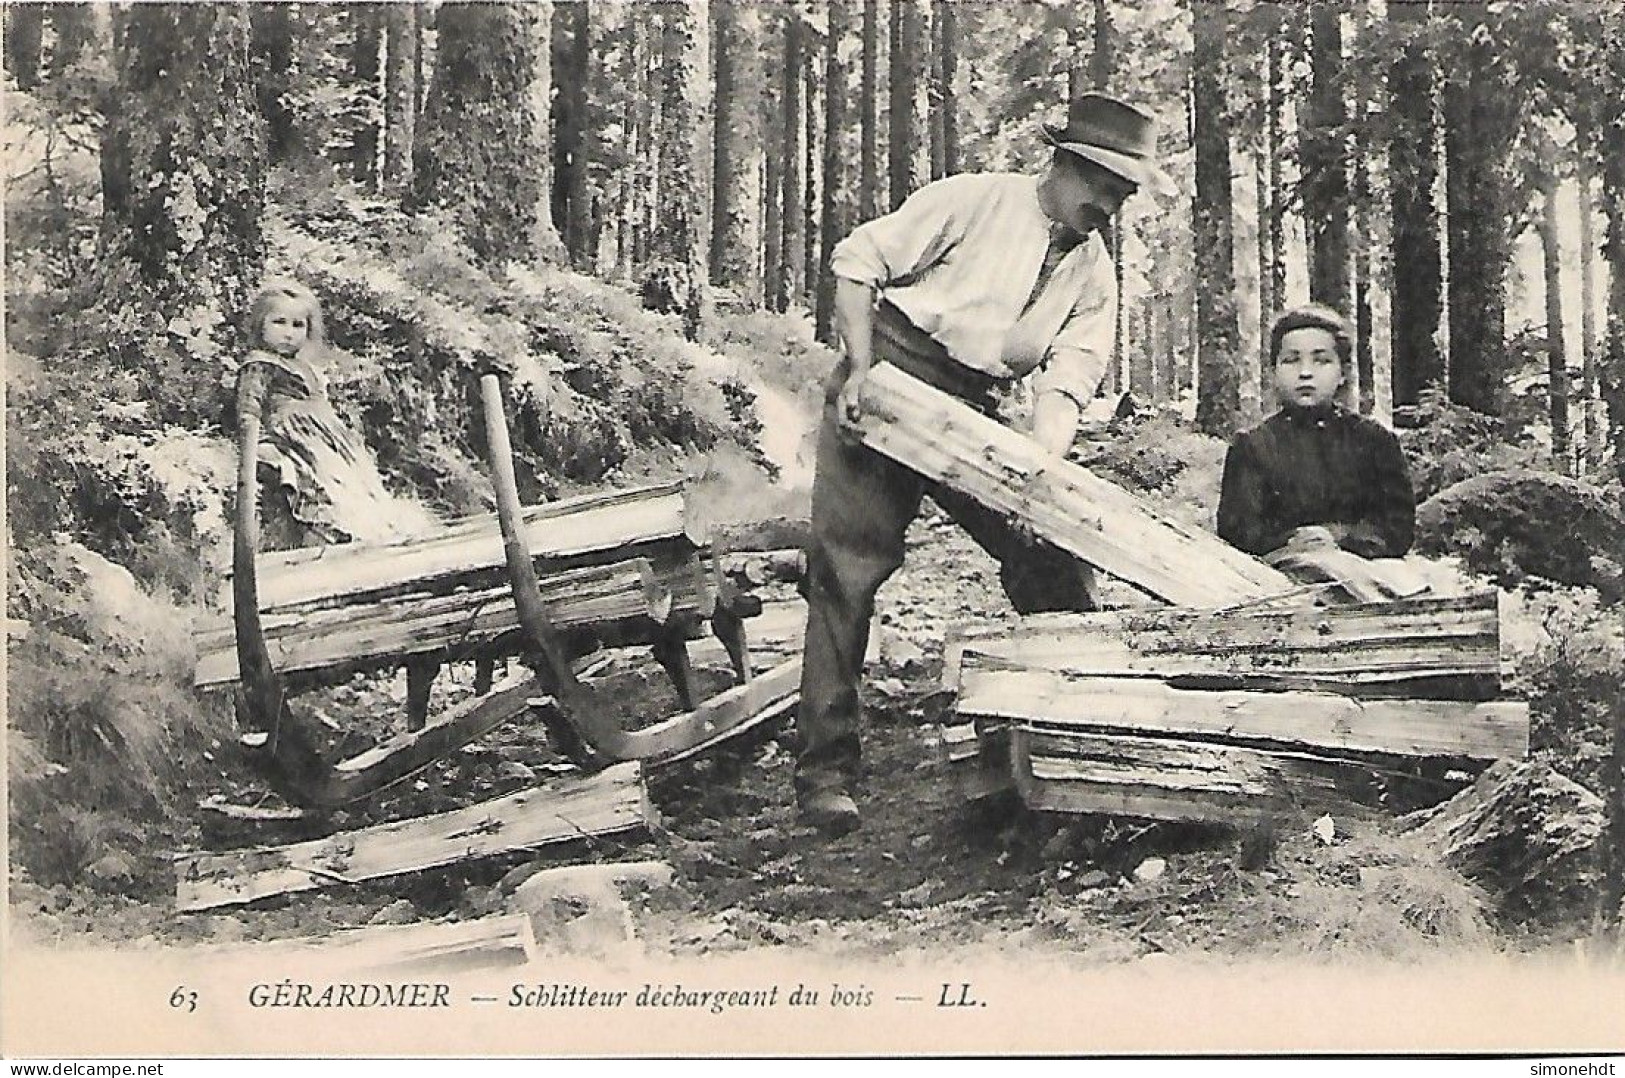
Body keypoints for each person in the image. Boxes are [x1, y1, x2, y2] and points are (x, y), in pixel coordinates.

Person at [795, 93, 1168, 835]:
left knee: (1052, 561)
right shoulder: (973, 200)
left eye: (1124, 194)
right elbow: (857, 263)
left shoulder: (1093, 275)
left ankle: (1083, 732)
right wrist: (861, 369)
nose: (1110, 206)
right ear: (1063, 165)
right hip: (892, 374)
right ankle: (824, 774)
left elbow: (1067, 379)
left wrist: (1039, 472)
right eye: (1103, 186)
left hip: (976, 407)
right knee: (847, 570)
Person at [1217, 303, 1421, 603]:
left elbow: (1397, 528)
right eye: (1291, 360)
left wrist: (1339, 537)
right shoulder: (1252, 446)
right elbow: (1237, 535)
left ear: (1342, 374)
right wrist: (1293, 542)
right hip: (1280, 584)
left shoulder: (1374, 441)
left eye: (1321, 360)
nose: (1305, 373)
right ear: (1274, 371)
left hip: (1368, 572)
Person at [236, 278, 436, 548]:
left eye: (298, 325)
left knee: (352, 481)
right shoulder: (260, 365)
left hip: (326, 437)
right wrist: (260, 444)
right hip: (293, 436)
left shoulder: (306, 368)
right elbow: (249, 407)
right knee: (319, 481)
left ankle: (367, 533)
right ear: (261, 325)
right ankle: (322, 537)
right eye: (279, 322)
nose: (288, 333)